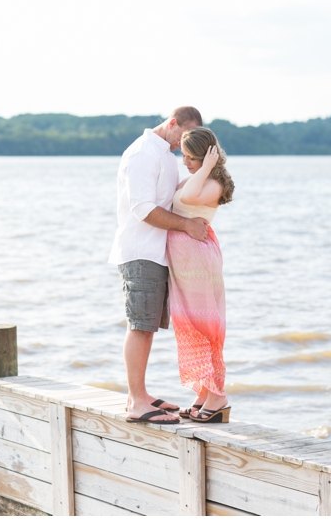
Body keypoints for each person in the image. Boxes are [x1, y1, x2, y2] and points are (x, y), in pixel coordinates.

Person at [108, 107, 208, 424]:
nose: (186, 143)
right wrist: (187, 226)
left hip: (156, 252)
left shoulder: (166, 154)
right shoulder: (142, 153)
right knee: (140, 325)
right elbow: (143, 209)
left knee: (147, 326)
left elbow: (175, 194)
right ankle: (137, 402)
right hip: (140, 251)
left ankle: (140, 395)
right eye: (185, 134)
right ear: (172, 123)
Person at [167, 127, 235, 423]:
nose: (186, 162)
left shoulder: (213, 184)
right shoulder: (196, 177)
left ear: (209, 156)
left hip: (199, 262)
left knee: (203, 323)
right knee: (188, 322)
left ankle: (217, 395)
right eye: (184, 155)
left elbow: (191, 198)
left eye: (192, 157)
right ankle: (205, 391)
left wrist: (207, 166)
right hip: (184, 265)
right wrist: (200, 167)